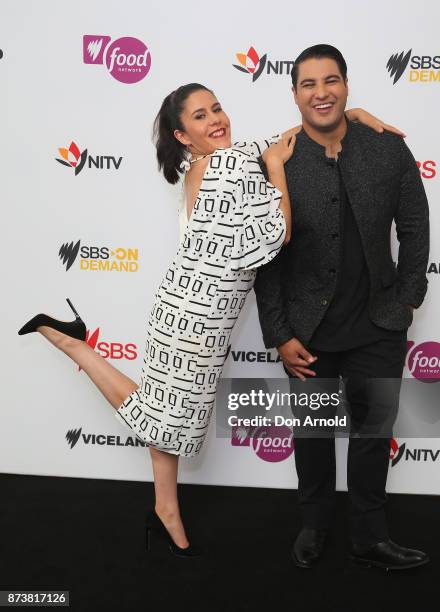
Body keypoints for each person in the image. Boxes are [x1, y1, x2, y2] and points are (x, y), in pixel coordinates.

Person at [18, 81, 405, 559]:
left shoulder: (211, 161)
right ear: (183, 135)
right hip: (197, 320)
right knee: (166, 421)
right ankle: (75, 345)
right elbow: (275, 233)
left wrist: (353, 114)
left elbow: (280, 139)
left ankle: (165, 508)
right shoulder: (228, 164)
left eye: (216, 108)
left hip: (183, 308)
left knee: (166, 414)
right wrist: (278, 172)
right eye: (200, 117)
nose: (215, 119)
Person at [254, 45, 430, 571]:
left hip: (378, 325)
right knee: (311, 435)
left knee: (373, 437)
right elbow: (266, 258)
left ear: (348, 87)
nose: (321, 92)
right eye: (308, 84)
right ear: (294, 95)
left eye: (331, 81)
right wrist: (280, 333)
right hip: (307, 332)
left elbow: (416, 229)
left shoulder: (388, 151)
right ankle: (314, 524)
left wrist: (407, 298)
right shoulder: (276, 163)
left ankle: (370, 536)